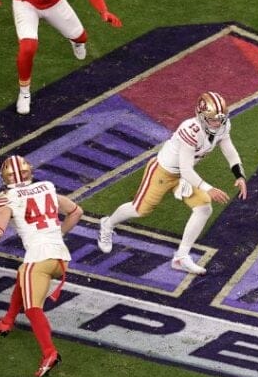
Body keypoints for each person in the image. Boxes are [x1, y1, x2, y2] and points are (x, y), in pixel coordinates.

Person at [97, 91, 249, 275]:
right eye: (213, 119)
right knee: (140, 210)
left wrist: (239, 175)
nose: (219, 123)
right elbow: (185, 168)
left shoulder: (222, 126)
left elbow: (229, 150)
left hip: (184, 176)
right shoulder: (190, 130)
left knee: (203, 208)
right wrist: (209, 188)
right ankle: (107, 224)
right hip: (163, 171)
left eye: (221, 118)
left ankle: (181, 257)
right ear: (201, 116)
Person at [0, 154, 83, 377]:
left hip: (39, 258)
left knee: (32, 308)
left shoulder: (6, 197)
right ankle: (7, 322)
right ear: (30, 170)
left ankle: (50, 353)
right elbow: (76, 212)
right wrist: (57, 234)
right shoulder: (47, 187)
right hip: (60, 258)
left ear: (4, 177)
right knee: (22, 275)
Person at [0, 0, 122, 115]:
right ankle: (24, 92)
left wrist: (103, 11)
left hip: (54, 3)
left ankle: (76, 42)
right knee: (28, 48)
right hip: (26, 4)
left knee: (81, 38)